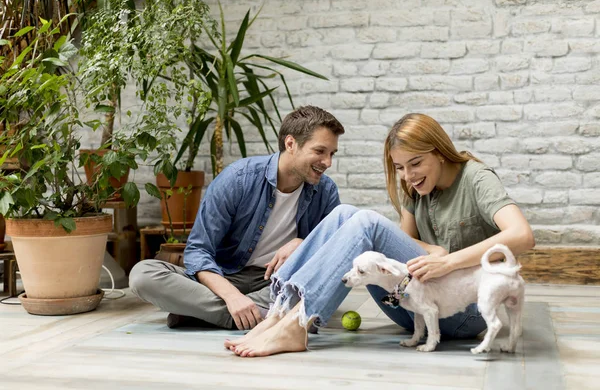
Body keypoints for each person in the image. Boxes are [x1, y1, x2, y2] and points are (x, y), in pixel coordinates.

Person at [226, 113, 535, 357]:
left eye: (415, 163)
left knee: (366, 223)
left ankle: (296, 326)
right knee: (346, 214)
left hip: (462, 313)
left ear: (440, 152)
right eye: (400, 167)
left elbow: (522, 235)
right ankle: (279, 313)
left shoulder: (476, 178)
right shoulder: (415, 189)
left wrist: (449, 262)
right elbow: (403, 249)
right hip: (411, 306)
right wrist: (431, 250)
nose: (408, 176)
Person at [129, 105, 345, 331]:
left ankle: (202, 313)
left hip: (278, 282)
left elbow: (334, 253)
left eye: (331, 154)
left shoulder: (325, 191)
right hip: (228, 277)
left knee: (336, 278)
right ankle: (265, 315)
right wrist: (232, 297)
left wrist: (302, 245)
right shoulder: (239, 178)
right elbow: (198, 250)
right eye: (320, 151)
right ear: (290, 144)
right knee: (143, 275)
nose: (328, 162)